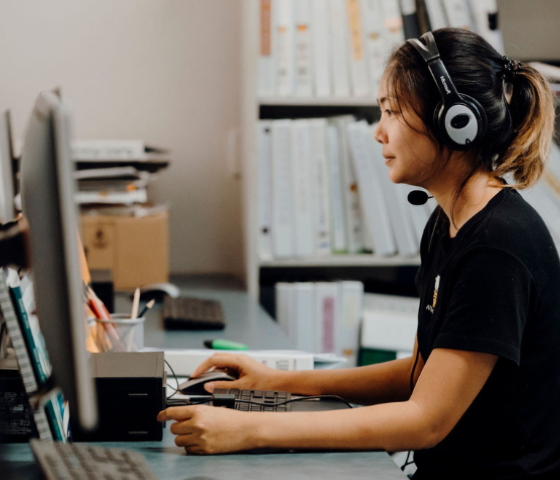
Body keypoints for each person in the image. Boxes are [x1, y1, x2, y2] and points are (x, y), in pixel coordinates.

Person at [158, 28, 560, 480]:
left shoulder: (497, 245)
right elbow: (422, 373)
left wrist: (249, 429)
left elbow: (426, 419)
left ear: (455, 120)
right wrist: (277, 381)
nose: (379, 131)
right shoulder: (449, 222)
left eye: (391, 110)